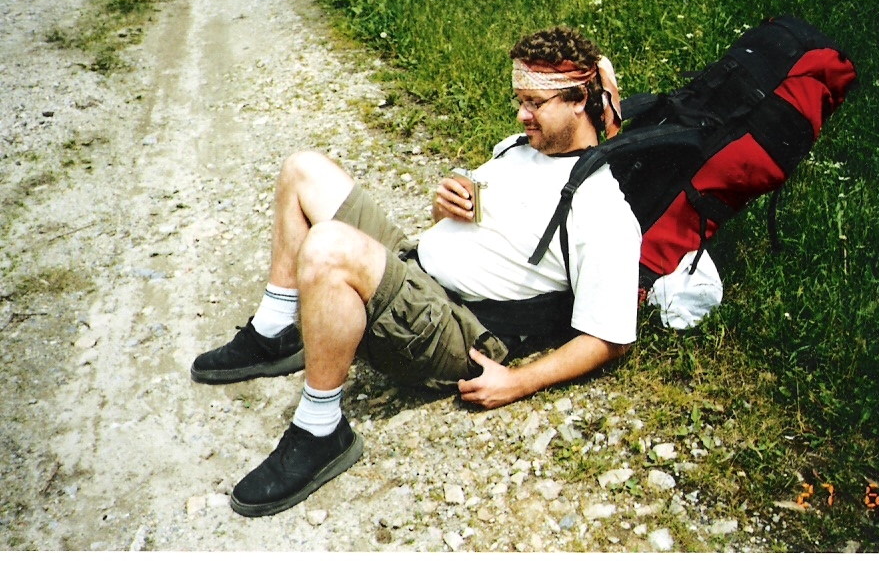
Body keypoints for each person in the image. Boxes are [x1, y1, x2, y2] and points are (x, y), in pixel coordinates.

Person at [189, 26, 642, 518]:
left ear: (579, 101)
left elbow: (610, 338)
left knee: (327, 247)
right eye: (519, 100)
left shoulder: (603, 209)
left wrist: (518, 381)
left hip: (456, 326)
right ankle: (276, 331)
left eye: (534, 103)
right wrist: (443, 206)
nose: (521, 114)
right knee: (303, 169)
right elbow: (473, 222)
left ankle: (321, 431)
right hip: (416, 270)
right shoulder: (517, 147)